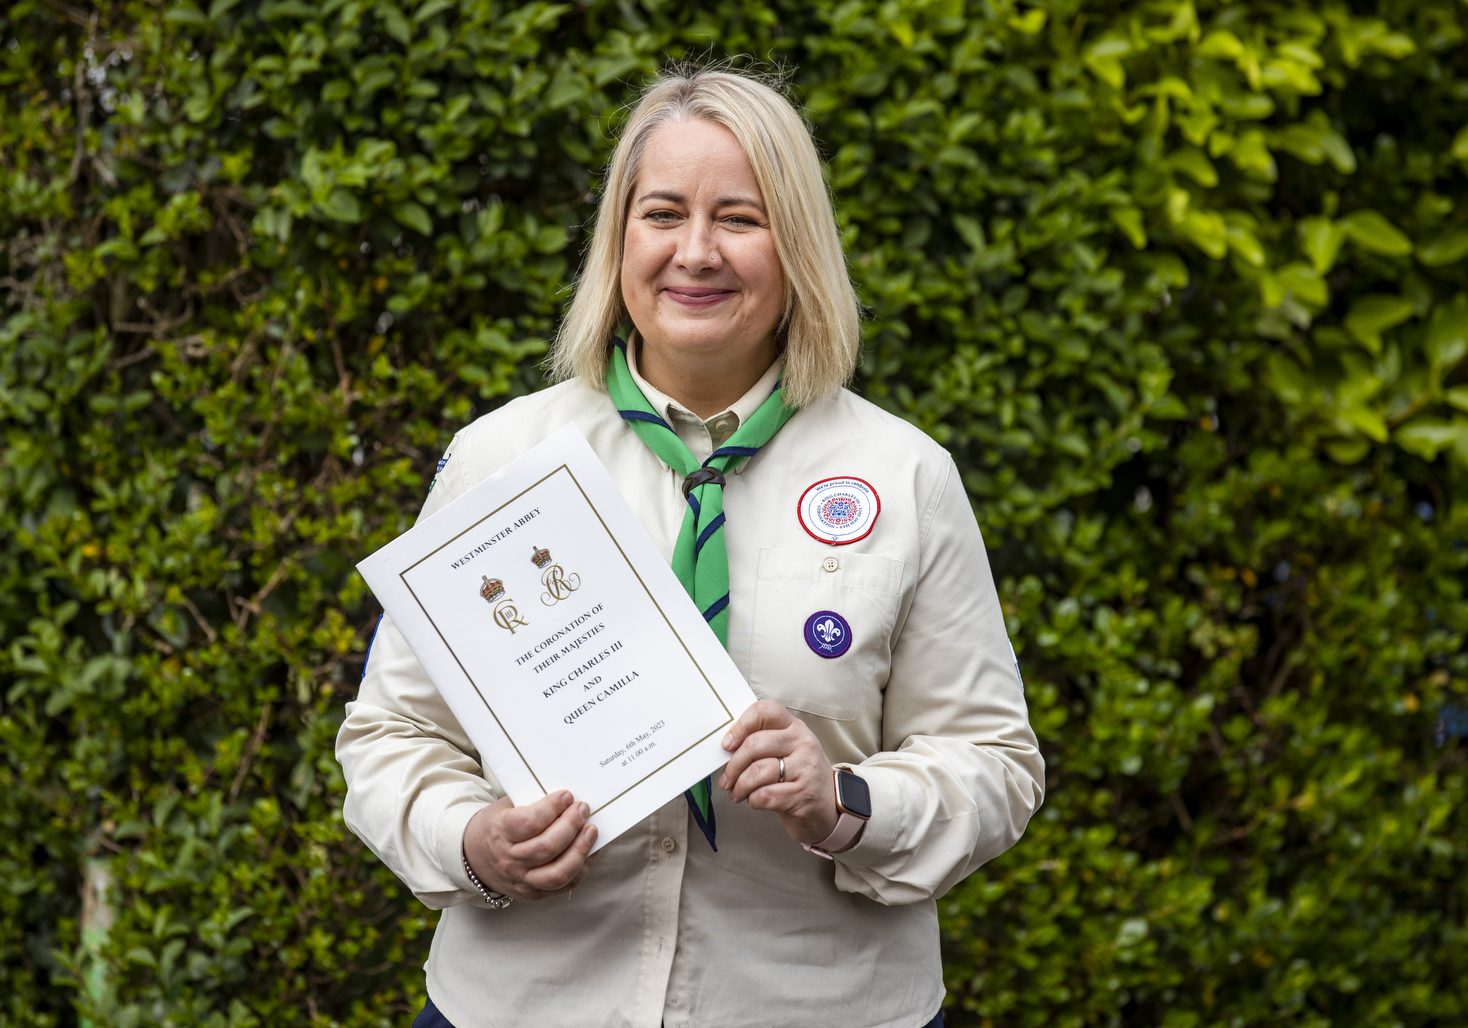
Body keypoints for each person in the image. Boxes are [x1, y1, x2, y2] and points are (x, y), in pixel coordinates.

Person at [336, 67, 1043, 1028]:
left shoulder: (904, 476)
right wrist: (472, 842)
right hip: (525, 1005)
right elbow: (392, 738)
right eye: (663, 213)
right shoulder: (503, 459)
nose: (696, 252)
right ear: (619, 240)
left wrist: (843, 801)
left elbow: (993, 761)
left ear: (796, 243)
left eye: (740, 219)